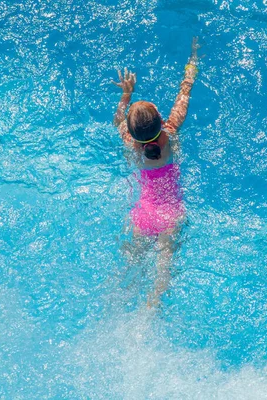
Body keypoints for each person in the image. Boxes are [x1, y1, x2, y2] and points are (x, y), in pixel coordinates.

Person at [113, 37, 199, 308]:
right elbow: (184, 94)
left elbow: (118, 120)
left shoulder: (131, 144)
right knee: (163, 276)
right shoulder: (171, 133)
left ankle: (115, 305)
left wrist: (126, 94)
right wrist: (192, 63)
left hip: (143, 215)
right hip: (171, 214)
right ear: (161, 120)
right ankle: (148, 318)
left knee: (130, 268)